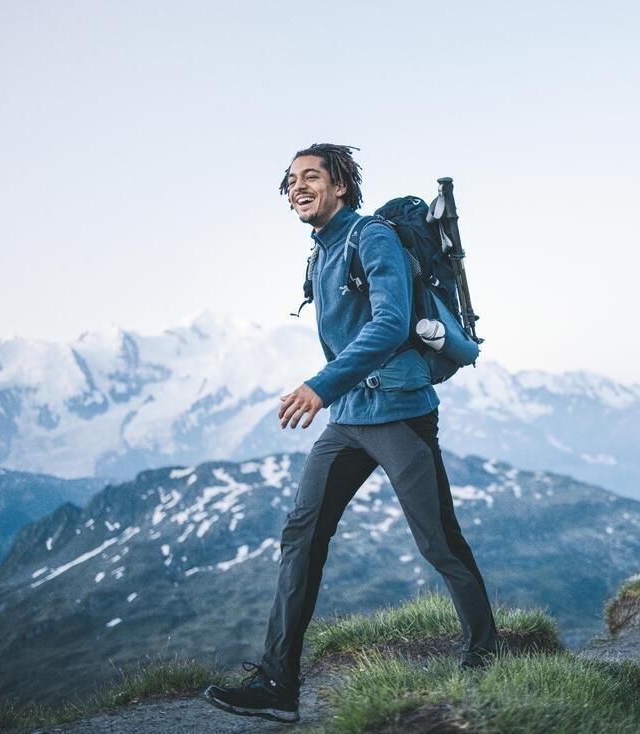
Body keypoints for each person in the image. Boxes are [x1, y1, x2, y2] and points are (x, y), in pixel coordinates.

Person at [203, 144, 498, 722]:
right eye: (291, 180)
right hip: (349, 423)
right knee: (303, 536)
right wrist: (335, 395)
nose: (298, 187)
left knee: (438, 541)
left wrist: (321, 386)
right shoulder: (319, 254)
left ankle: (486, 651)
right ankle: (277, 684)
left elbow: (391, 323)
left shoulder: (372, 238)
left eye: (311, 176)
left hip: (399, 415)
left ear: (341, 185)